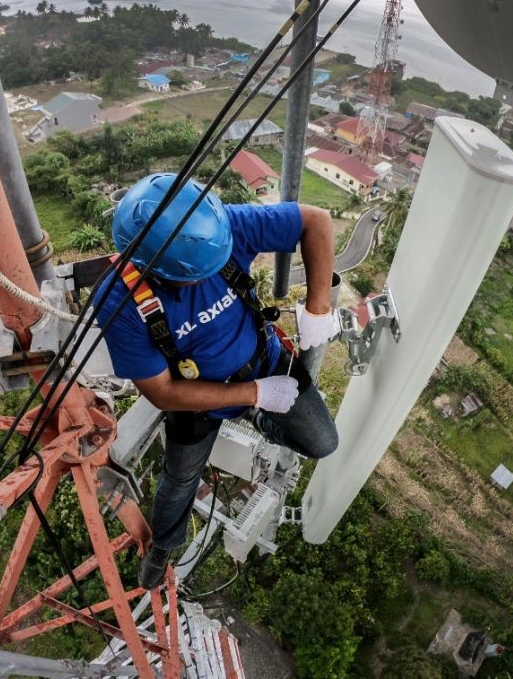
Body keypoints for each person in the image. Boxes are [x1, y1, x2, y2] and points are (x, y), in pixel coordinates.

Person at [95, 172, 339, 589]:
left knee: (322, 442)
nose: (207, 280)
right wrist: (255, 394)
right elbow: (162, 392)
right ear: (160, 270)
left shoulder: (213, 229)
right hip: (197, 401)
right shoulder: (120, 301)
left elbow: (316, 220)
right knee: (178, 484)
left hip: (264, 361)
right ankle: (164, 546)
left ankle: (260, 417)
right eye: (196, 277)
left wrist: (317, 307)